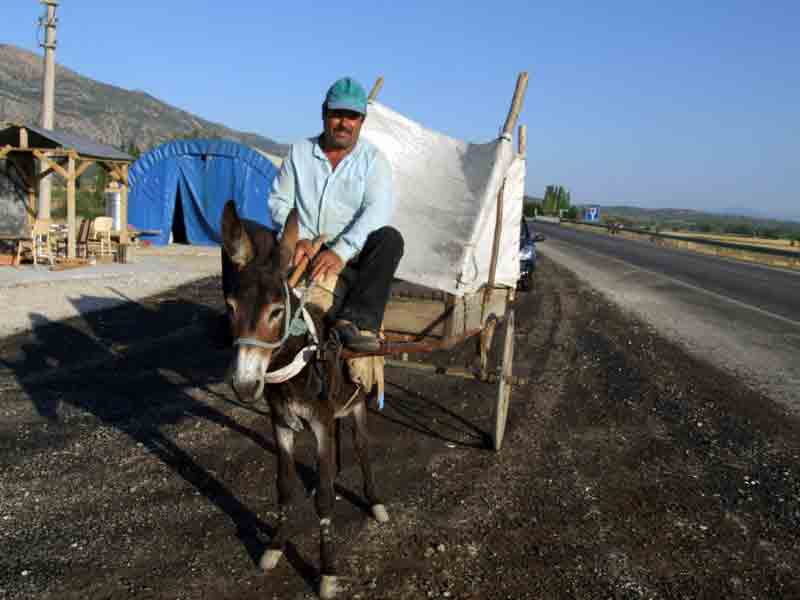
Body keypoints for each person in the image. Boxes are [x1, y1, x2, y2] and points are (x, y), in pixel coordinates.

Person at [269, 77, 404, 352]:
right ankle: (236, 318)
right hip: (302, 250)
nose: (344, 123)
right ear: (324, 114)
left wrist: (341, 251)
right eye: (337, 114)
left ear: (361, 121)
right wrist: (299, 239)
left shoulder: (373, 160)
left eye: (352, 116)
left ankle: (353, 320)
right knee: (248, 233)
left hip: (351, 255)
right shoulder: (300, 152)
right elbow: (280, 201)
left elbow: (376, 211)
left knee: (390, 239)